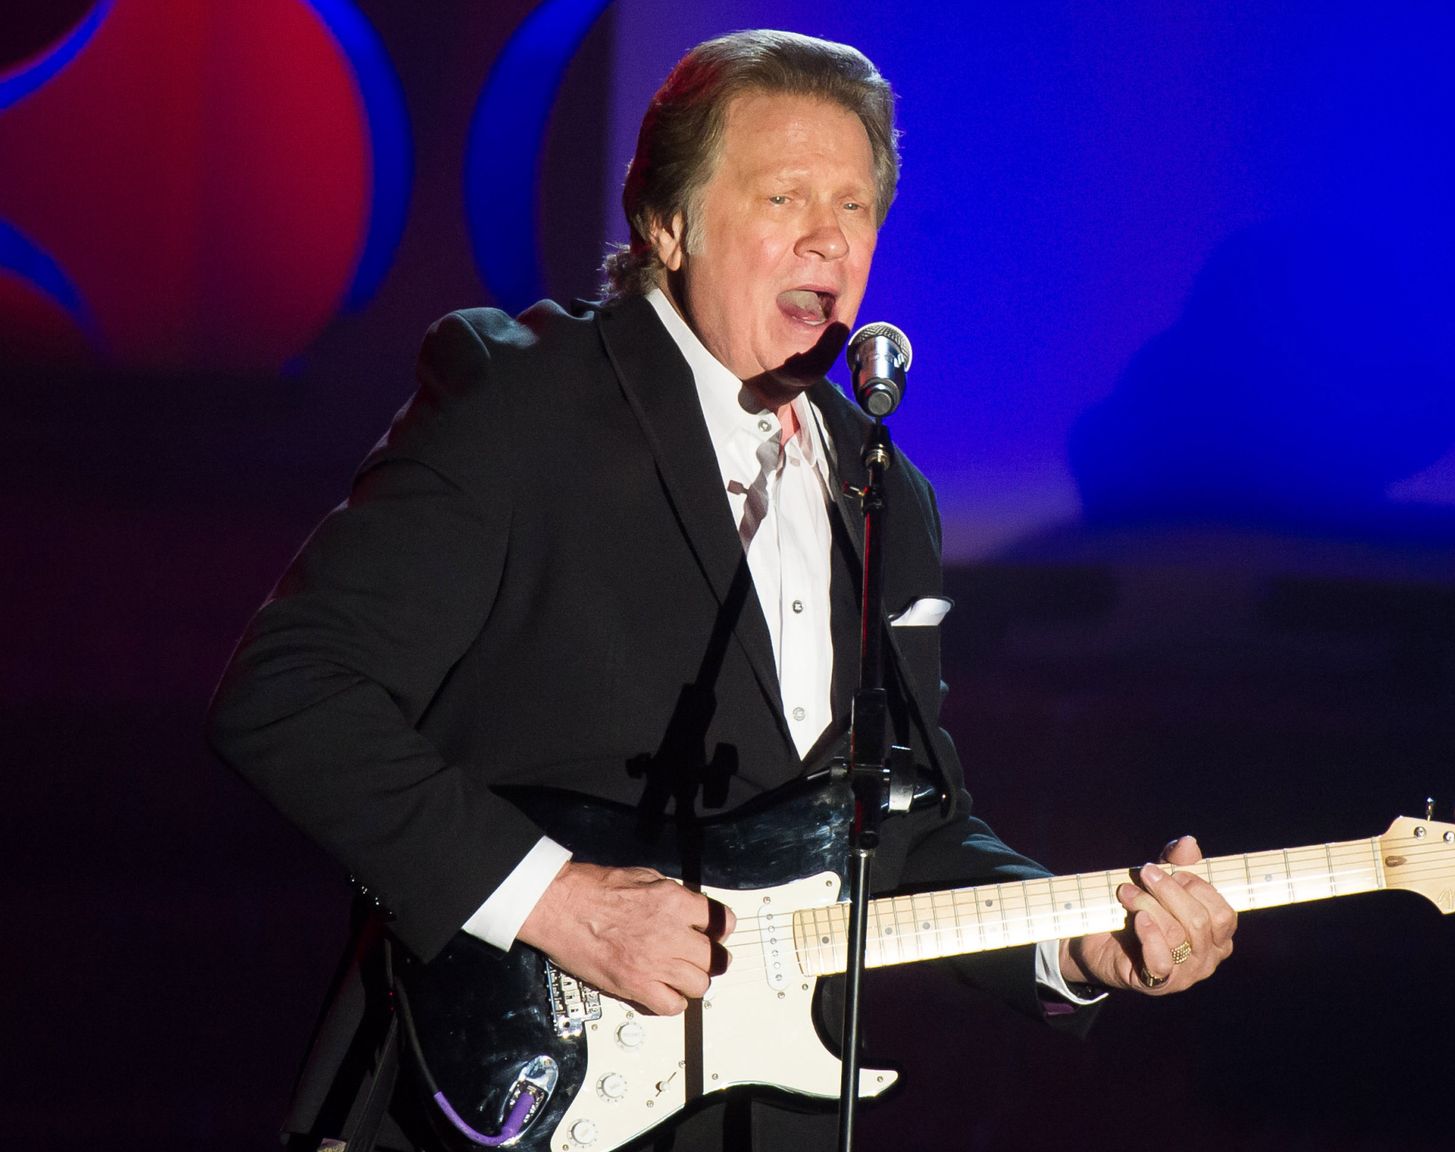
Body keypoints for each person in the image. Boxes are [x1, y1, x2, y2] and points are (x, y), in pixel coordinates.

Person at [208, 29, 1237, 1152]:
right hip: (498, 1089)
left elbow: (899, 831)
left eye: (852, 206)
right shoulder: (524, 398)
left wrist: (1075, 944)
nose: (825, 239)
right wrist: (558, 904)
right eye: (782, 195)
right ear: (665, 222)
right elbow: (292, 692)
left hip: (767, 1117)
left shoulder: (885, 491)